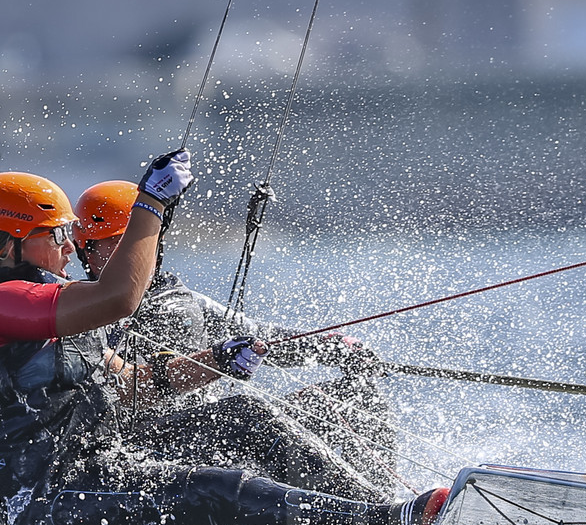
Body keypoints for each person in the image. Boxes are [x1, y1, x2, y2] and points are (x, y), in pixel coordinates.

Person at [0, 150, 446, 525]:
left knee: (244, 417)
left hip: (96, 465)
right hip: (49, 509)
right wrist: (151, 205)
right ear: (4, 244)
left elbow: (136, 387)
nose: (71, 249)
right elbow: (119, 299)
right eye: (58, 236)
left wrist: (218, 361)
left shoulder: (48, 305)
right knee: (217, 492)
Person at [73, 180, 396, 496]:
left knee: (357, 393)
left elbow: (257, 336)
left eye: (140, 241)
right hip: (149, 454)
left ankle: (388, 512)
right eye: (114, 243)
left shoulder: (183, 299)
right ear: (84, 250)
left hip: (216, 433)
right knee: (248, 414)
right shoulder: (77, 311)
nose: (132, 253)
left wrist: (328, 346)